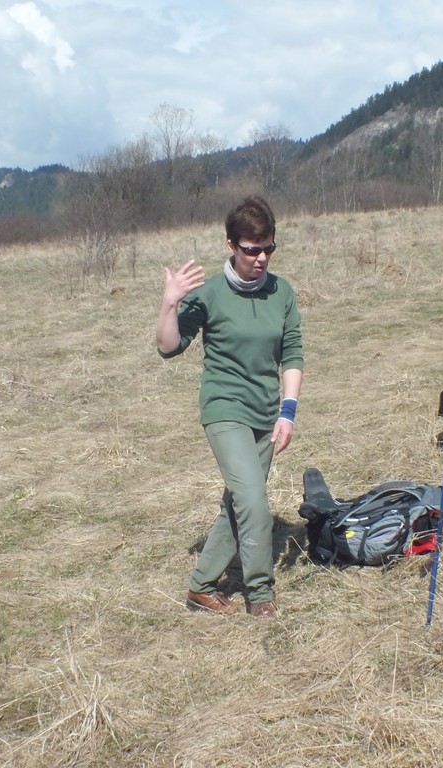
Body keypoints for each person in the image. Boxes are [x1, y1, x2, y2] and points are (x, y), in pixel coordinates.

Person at [156, 196, 303, 618]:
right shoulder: (211, 294)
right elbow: (168, 346)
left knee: (239, 501)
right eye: (251, 250)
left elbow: (292, 354)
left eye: (268, 248)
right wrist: (170, 302)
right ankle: (260, 592)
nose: (261, 258)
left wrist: (287, 412)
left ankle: (201, 586)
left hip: (266, 412)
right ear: (231, 246)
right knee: (254, 500)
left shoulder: (282, 292)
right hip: (224, 408)